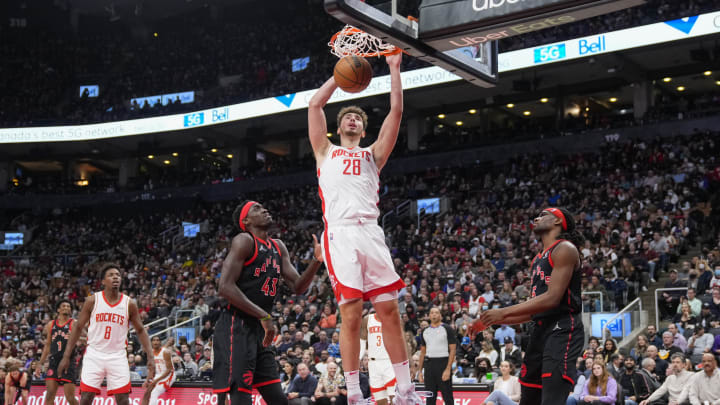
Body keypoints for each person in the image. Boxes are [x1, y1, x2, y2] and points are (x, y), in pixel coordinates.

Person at [308, 52, 423, 405]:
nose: (354, 119)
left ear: (363, 127)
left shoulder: (373, 155)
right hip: (340, 234)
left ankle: (404, 389)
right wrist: (339, 78)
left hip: (371, 232)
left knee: (389, 310)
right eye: (349, 117)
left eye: (358, 117)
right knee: (352, 314)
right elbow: (314, 105)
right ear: (339, 127)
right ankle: (355, 394)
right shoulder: (325, 150)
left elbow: (396, 113)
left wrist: (393, 69)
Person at [213, 201, 323, 405]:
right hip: (236, 325)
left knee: (278, 399)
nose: (264, 209)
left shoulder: (278, 246)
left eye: (263, 206)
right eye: (256, 209)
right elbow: (224, 287)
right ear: (245, 221)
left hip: (260, 328)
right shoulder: (244, 240)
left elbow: (298, 286)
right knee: (240, 396)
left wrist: (316, 261)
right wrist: (263, 315)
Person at [473, 208, 585, 405]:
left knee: (551, 400)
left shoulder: (565, 249)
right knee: (529, 398)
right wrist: (492, 320)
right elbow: (534, 311)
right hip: (539, 331)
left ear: (558, 221)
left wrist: (503, 312)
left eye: (543, 215)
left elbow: (552, 298)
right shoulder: (538, 258)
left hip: (562, 328)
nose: (536, 218)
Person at [58, 264, 155, 405]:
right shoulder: (92, 301)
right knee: (85, 398)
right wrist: (66, 356)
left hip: (117, 356)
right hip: (94, 354)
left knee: (123, 400)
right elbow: (78, 327)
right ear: (103, 281)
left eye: (118, 275)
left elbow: (140, 330)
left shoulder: (129, 304)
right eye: (111, 275)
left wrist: (150, 357)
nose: (115, 277)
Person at [36, 299, 79, 405]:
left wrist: (76, 338)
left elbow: (86, 338)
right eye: (64, 306)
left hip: (68, 362)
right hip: (54, 361)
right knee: (49, 395)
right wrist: (40, 363)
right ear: (58, 309)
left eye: (69, 306)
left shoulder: (74, 323)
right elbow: (47, 345)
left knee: (70, 397)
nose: (66, 308)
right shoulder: (51, 324)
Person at [418, 307, 456, 405]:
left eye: (436, 313)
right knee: (430, 397)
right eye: (432, 313)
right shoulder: (425, 331)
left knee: (447, 397)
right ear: (429, 316)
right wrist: (420, 372)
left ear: (440, 315)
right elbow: (422, 352)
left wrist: (448, 369)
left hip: (443, 363)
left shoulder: (447, 329)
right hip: (429, 365)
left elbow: (452, 350)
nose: (434, 315)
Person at [360, 312, 395, 405]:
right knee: (380, 400)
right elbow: (362, 340)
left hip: (389, 361)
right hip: (373, 363)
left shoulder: (393, 318)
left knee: (394, 398)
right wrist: (359, 359)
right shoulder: (367, 319)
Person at [140, 336, 175, 405]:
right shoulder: (151, 354)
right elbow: (151, 369)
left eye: (157, 340)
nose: (156, 342)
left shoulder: (165, 352)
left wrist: (155, 381)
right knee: (147, 392)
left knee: (154, 392)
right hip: (158, 375)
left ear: (160, 343)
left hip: (169, 375)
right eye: (154, 340)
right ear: (151, 343)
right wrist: (147, 380)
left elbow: (169, 370)